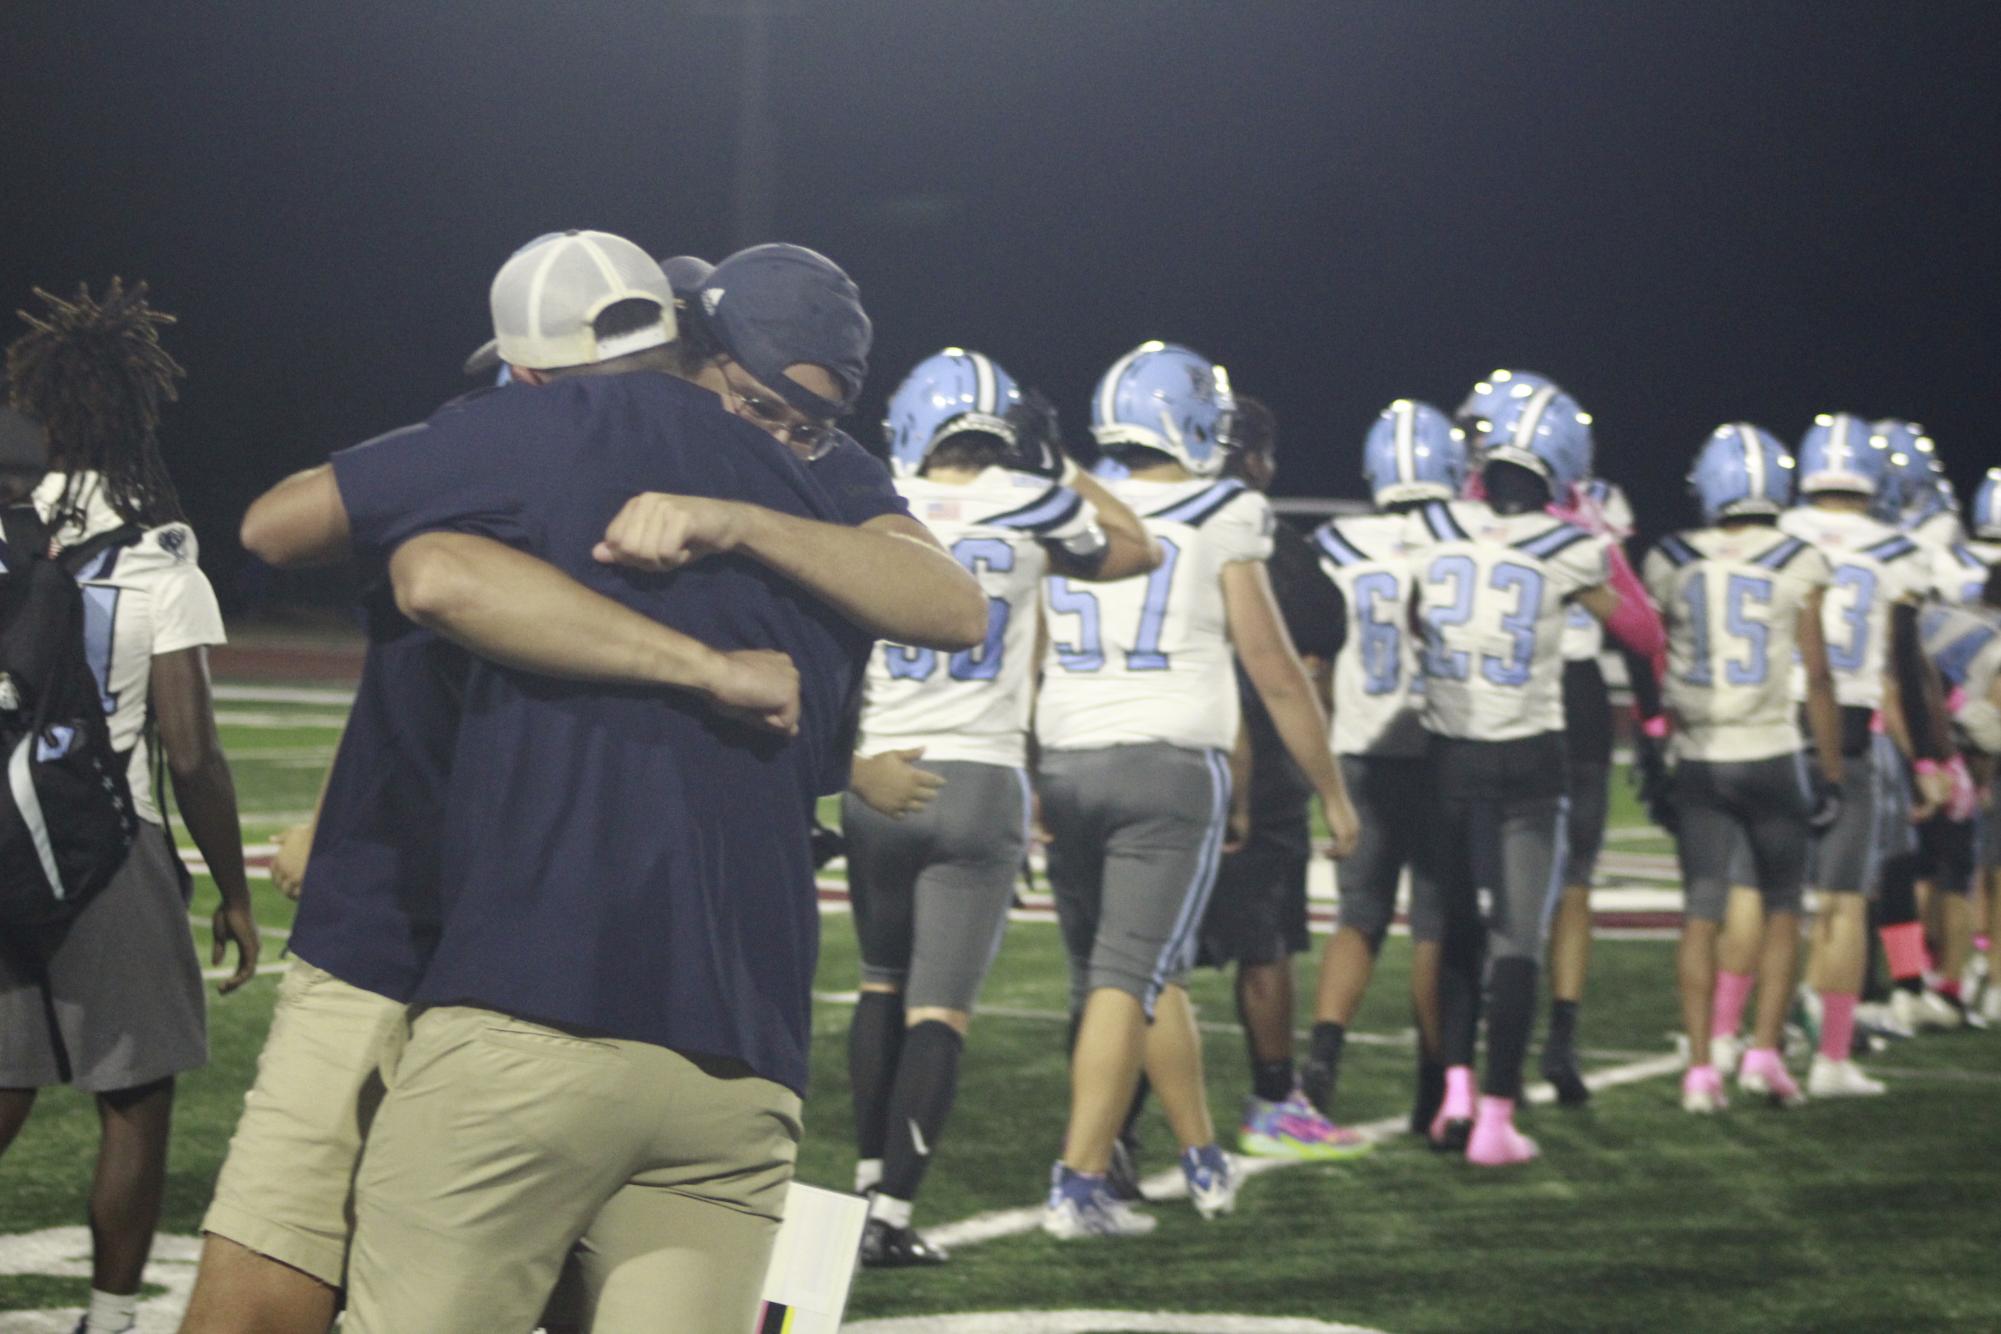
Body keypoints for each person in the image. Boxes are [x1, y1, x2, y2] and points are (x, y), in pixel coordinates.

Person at [195, 233, 985, 1333]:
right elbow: (416, 661)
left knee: (312, 1276)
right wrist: (712, 657)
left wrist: (735, 531)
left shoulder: (681, 456)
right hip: (696, 1012)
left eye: (807, 424)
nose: (778, 437)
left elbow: (381, 559)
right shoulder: (748, 465)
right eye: (763, 403)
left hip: (526, 977)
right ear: (688, 346)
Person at [843, 349, 1159, 1266]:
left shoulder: (873, 494)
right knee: (939, 1011)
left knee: (877, 982)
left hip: (878, 768)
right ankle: (893, 1220)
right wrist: (1063, 466)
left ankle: (865, 1184)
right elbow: (1136, 549)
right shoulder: (1033, 498)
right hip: (978, 775)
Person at [1036, 341, 1359, 1238]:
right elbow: (1275, 669)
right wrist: (1331, 791)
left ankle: (1198, 1153)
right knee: (1129, 974)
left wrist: (1028, 768)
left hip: (1064, 753)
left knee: (1133, 971)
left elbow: (1026, 645)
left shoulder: (1067, 502)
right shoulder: (1225, 506)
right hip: (1167, 759)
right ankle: (1081, 1178)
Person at [0, 280, 258, 1334]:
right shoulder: (157, 558)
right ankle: (108, 1320)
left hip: (3, 834)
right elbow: (189, 751)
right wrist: (233, 888)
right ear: (135, 416)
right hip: (113, 844)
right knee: (136, 1099)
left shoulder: (10, 539)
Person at [1405, 384, 1619, 1165]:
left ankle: (1451, 1095)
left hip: (1448, 749)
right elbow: (1636, 625)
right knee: (1518, 936)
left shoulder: (1434, 527)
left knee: (1457, 928)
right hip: (1529, 754)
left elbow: (1410, 619)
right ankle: (1495, 1116)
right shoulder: (1567, 546)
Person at [1644, 424, 1841, 1112]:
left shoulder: (1670, 557)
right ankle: (1762, 1055)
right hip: (1768, 751)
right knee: (1783, 908)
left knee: (1700, 912)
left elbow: (1656, 654)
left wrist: (1657, 740)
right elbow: (1816, 675)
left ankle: (1700, 1070)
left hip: (1699, 752)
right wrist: (1833, 768)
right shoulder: (1797, 558)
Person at [1191, 395, 1366, 1161]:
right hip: (1259, 773)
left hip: (1160, 756)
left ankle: (1112, 1139)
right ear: (1258, 459)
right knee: (1265, 950)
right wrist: (1330, 788)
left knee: (1137, 966)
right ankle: (1270, 1102)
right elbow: (1304, 673)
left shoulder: (1139, 526)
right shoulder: (1280, 551)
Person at [1300, 400, 1467, 1139]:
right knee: (1436, 926)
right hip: (1438, 748)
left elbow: (1315, 655)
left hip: (1359, 748)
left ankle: (1320, 1068)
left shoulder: (1335, 542)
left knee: (1357, 919)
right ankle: (1435, 1089)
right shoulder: (1464, 537)